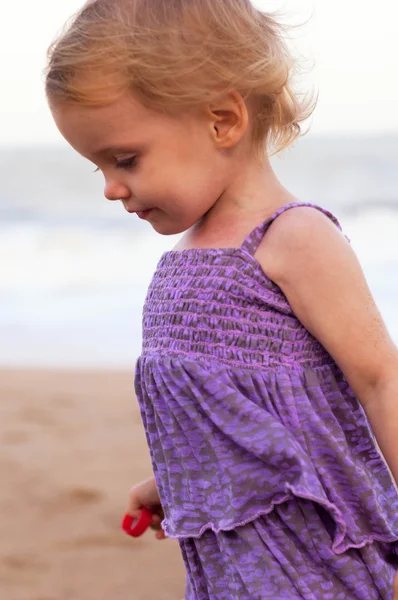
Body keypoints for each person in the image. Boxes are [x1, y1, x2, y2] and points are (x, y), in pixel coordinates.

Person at [45, 0, 398, 597]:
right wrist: (176, 479)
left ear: (222, 120)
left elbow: (380, 380)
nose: (110, 187)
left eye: (125, 159)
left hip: (311, 558)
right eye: (97, 166)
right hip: (228, 562)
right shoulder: (182, 258)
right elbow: (229, 408)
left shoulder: (294, 238)